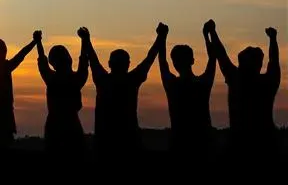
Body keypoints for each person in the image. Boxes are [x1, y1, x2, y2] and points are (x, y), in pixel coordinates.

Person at [85, 25, 165, 156]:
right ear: (128, 64)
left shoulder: (102, 80)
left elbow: (93, 59)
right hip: (129, 140)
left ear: (110, 64)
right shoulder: (132, 80)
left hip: (104, 143)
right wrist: (160, 37)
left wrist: (86, 40)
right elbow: (149, 58)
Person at [209, 21, 280, 156]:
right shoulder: (268, 82)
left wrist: (212, 32)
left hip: (240, 145)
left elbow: (221, 54)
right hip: (266, 144)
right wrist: (273, 39)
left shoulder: (236, 79)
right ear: (259, 64)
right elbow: (274, 61)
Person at [157, 21, 216, 155]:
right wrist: (207, 35)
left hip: (180, 144)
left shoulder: (172, 85)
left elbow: (162, 61)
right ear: (193, 61)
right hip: (203, 144)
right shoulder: (203, 83)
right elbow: (213, 58)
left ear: (174, 63)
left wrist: (162, 37)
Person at [34, 28, 89, 156]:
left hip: (55, 127)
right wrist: (84, 40)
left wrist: (38, 42)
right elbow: (84, 61)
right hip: (71, 127)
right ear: (69, 59)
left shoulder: (52, 79)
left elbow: (42, 62)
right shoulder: (75, 79)